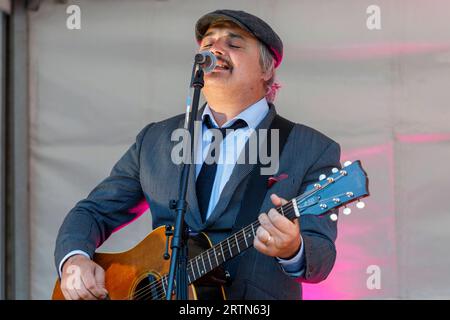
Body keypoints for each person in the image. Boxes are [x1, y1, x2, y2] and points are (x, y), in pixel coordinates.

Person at [55, 9, 341, 300]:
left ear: (266, 70)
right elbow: (93, 212)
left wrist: (294, 249)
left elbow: (321, 256)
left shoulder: (310, 149)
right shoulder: (156, 140)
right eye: (208, 44)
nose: (215, 49)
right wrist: (74, 259)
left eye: (234, 44)